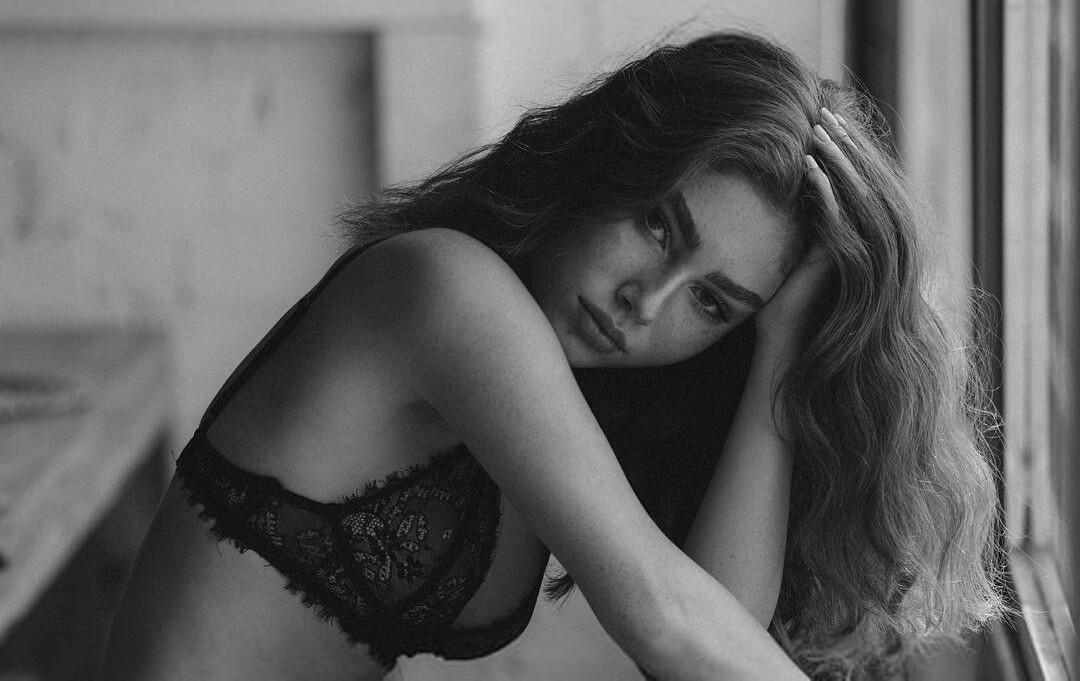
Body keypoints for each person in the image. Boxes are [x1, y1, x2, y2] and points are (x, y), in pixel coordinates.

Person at [98, 31, 1006, 681]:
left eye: (710, 302)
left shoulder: (585, 387)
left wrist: (776, 357)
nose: (646, 301)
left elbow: (712, 627)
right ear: (614, 159)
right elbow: (668, 623)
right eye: (659, 226)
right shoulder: (443, 288)